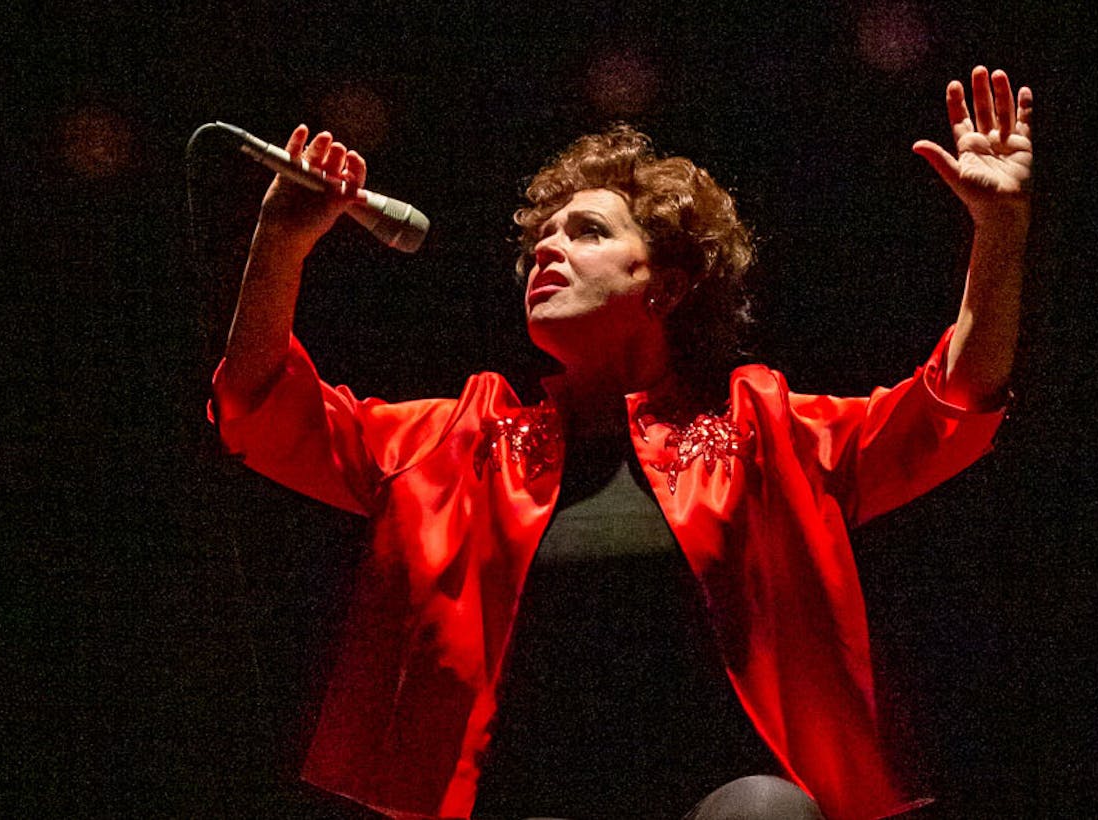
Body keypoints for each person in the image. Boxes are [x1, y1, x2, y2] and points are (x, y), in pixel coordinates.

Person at [211, 65, 1033, 820]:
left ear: (666, 285)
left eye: (588, 232)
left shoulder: (764, 428)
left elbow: (950, 410)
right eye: (544, 236)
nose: (547, 247)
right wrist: (280, 242)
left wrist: (999, 226)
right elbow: (262, 408)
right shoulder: (458, 441)